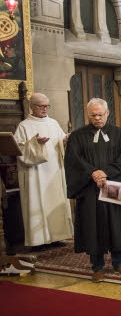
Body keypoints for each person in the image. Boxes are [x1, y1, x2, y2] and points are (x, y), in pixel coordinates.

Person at [64, 98, 121, 282]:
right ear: (88, 115)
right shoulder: (77, 136)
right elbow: (74, 160)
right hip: (89, 188)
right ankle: (97, 266)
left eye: (100, 115)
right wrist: (93, 173)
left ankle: (119, 263)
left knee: (117, 224)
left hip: (114, 185)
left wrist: (106, 172)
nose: (97, 118)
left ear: (108, 113)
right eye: (93, 115)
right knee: (92, 227)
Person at [13, 93, 73, 250]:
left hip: (53, 171)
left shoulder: (53, 123)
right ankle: (38, 240)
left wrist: (65, 139)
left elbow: (60, 143)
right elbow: (19, 149)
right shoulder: (24, 126)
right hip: (35, 174)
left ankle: (56, 237)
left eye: (47, 106)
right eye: (41, 106)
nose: (45, 109)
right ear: (32, 106)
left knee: (55, 201)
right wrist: (34, 143)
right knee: (37, 202)